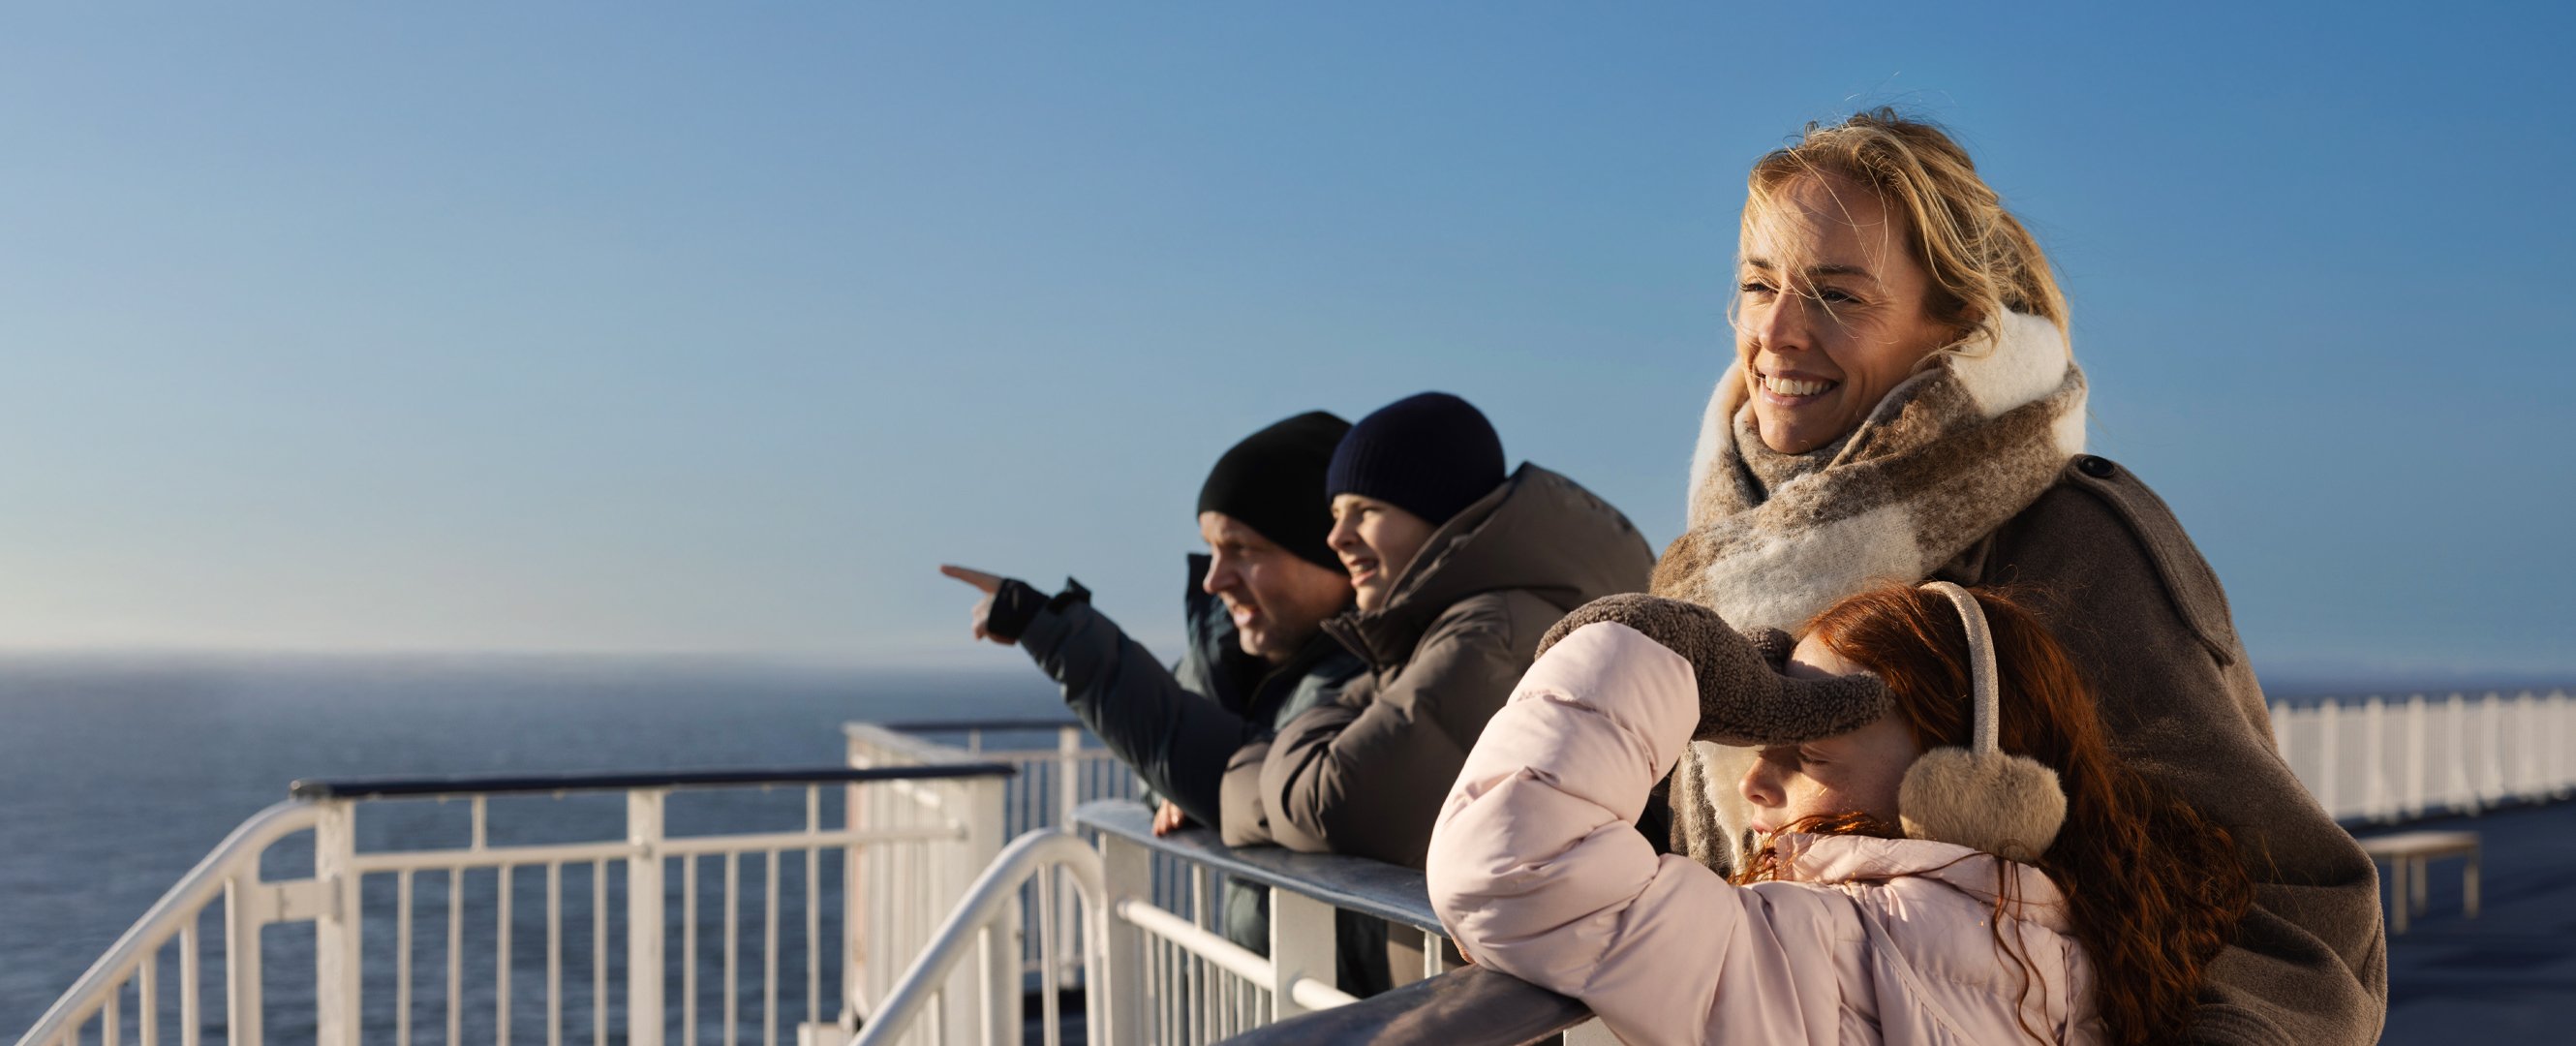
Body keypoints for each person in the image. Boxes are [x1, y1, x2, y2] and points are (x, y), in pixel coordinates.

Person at [1639, 109, 2383, 1043]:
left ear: (1954, 325)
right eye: (1759, 285)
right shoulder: (1719, 550)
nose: (1777, 332)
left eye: (1836, 295)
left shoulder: (2073, 546)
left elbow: (2298, 908)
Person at [1427, 584, 2255, 1046]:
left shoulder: (1849, 952)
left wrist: (1653, 647)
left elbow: (1519, 862)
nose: (1754, 783)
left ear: (1960, 794)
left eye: (1809, 753)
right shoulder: (2064, 940)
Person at [938, 411, 1365, 951]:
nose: (1213, 580)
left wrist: (1049, 629)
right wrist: (1170, 785)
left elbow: (1204, 750)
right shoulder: (1226, 656)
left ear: (1328, 552)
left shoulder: (1379, 675)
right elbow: (1170, 744)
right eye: (1211, 549)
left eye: (1243, 549)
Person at [1220, 391, 1656, 868]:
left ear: (1441, 514)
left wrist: (1247, 773)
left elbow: (1338, 807)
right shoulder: (1447, 629)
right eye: (1336, 514)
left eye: (1365, 510)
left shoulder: (1492, 632)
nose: (1336, 537)